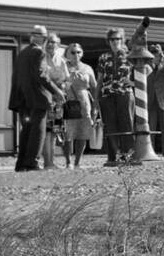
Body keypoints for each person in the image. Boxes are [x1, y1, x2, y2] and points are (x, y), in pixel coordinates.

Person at [9, 24, 61, 172]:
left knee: (26, 131)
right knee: (38, 131)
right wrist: (56, 91)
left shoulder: (22, 53)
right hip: (38, 99)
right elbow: (42, 75)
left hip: (23, 99)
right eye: (44, 37)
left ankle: (21, 164)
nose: (45, 40)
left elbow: (17, 77)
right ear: (40, 38)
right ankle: (32, 163)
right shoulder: (39, 53)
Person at [97, 26, 134, 166]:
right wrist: (96, 99)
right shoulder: (103, 57)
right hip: (107, 95)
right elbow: (99, 79)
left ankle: (128, 156)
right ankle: (113, 157)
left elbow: (145, 72)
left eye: (118, 38)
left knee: (126, 124)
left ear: (122, 40)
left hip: (125, 94)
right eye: (112, 39)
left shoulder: (130, 56)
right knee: (110, 126)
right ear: (108, 41)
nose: (115, 41)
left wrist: (133, 82)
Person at [62, 42, 99, 168]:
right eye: (72, 52)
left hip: (84, 101)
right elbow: (59, 84)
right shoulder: (63, 67)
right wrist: (69, 79)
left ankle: (78, 162)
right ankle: (68, 162)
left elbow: (94, 87)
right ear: (67, 54)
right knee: (68, 132)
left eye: (78, 52)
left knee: (82, 132)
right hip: (69, 101)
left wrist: (95, 105)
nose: (76, 55)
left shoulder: (88, 68)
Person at [40, 32, 70, 169]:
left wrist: (63, 86)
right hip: (44, 98)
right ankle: (46, 162)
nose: (51, 45)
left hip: (58, 100)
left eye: (54, 42)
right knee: (45, 130)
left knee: (54, 131)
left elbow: (67, 80)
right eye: (49, 42)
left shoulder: (61, 60)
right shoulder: (40, 57)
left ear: (58, 45)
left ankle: (51, 162)